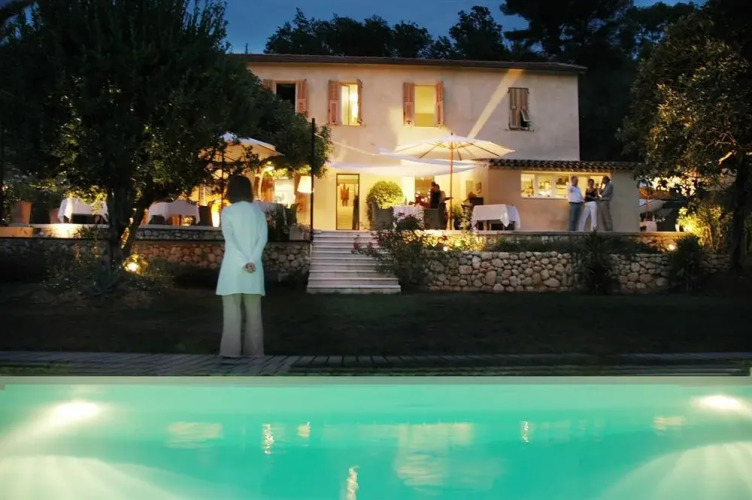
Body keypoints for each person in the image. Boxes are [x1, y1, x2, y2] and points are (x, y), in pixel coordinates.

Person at [216, 176, 268, 358]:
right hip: (254, 269)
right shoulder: (258, 213)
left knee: (231, 312)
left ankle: (230, 351)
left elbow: (230, 240)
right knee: (254, 314)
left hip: (232, 268)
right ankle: (255, 352)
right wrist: (252, 260)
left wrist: (242, 262)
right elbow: (262, 239)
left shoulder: (227, 212)